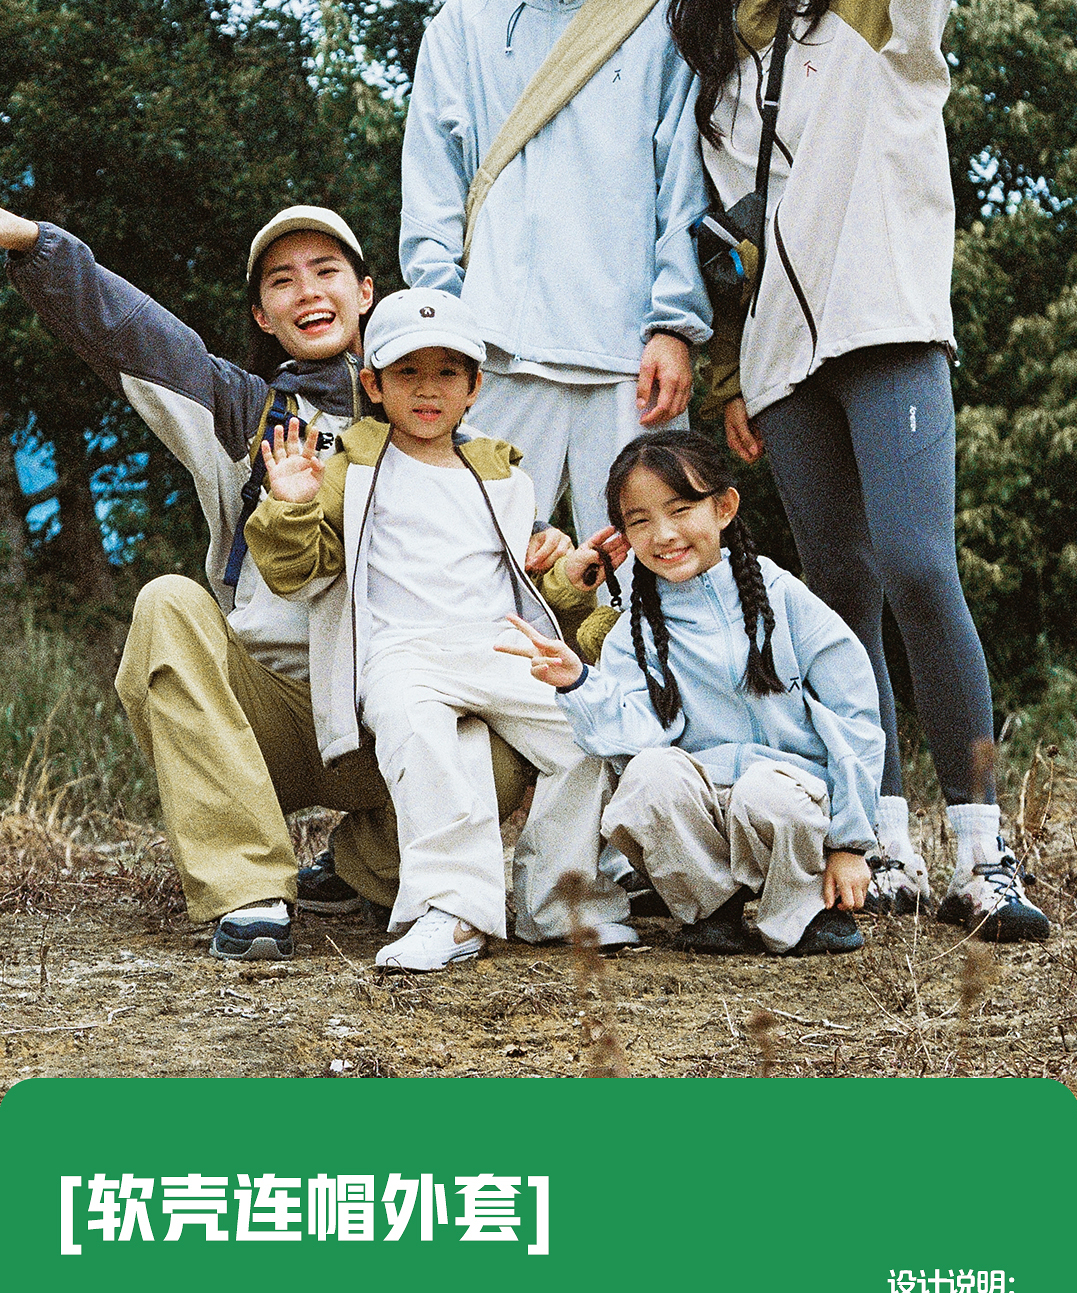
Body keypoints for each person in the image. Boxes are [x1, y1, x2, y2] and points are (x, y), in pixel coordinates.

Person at [668, 0, 1049, 941]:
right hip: (784, 368)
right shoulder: (716, 78)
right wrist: (732, 375)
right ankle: (883, 839)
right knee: (840, 596)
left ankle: (981, 851)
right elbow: (736, 245)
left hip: (887, 328)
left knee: (920, 567)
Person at [1, 204, 554, 959]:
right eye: (282, 281)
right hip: (271, 708)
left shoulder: (454, 428)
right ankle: (250, 889)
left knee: (501, 751)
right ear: (263, 315)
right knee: (167, 603)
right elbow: (131, 332)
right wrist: (34, 243)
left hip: (400, 709)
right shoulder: (247, 411)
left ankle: (362, 867)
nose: (309, 291)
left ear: (366, 292)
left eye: (326, 271)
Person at [245, 286, 637, 971]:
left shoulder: (502, 471)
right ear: (373, 384)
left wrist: (566, 575)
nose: (428, 389)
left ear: (475, 386)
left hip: (499, 646)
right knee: (422, 739)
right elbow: (296, 571)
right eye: (407, 372)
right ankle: (454, 913)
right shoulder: (351, 467)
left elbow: (524, 573)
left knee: (586, 733)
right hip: (402, 654)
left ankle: (561, 903)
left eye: (448, 372)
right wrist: (292, 505)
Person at [398, 0, 712, 548]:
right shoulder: (466, 18)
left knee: (653, 582)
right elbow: (431, 191)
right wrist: (447, 333)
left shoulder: (670, 20)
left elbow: (685, 189)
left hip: (631, 365)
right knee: (476, 573)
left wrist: (675, 326)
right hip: (495, 354)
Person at [503, 430, 884, 958]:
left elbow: (854, 716)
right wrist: (580, 682)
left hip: (792, 806)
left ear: (724, 508)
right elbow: (633, 737)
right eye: (640, 521)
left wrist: (850, 843)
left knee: (765, 791)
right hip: (704, 807)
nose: (663, 535)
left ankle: (801, 910)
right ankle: (710, 908)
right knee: (648, 775)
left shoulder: (784, 598)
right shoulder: (635, 631)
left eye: (680, 510)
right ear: (623, 535)